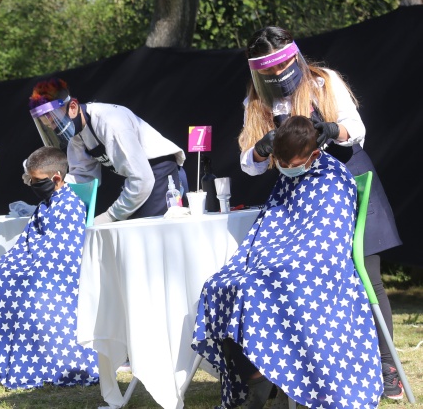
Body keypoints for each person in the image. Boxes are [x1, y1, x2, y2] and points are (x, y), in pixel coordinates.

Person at [238, 26, 403, 400]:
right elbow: (248, 164)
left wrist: (331, 128)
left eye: (282, 68)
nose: (278, 77)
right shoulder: (257, 103)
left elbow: (357, 130)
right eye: (268, 74)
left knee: (367, 275)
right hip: (304, 200)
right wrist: (262, 151)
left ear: (294, 57)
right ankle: (301, 367)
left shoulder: (323, 83)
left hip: (349, 182)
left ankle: (386, 366)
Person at [194, 116, 382, 409]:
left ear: (315, 155)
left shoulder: (333, 179)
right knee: (219, 286)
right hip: (281, 260)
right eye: (282, 164)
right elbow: (273, 227)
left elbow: (326, 246)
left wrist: (279, 264)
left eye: (294, 165)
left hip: (318, 269)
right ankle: (256, 379)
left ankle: (279, 383)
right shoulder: (286, 177)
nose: (288, 170)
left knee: (252, 289)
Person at [0, 146, 99, 389]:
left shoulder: (70, 206)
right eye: (29, 179)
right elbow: (32, 241)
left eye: (36, 180)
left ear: (56, 178)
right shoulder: (48, 202)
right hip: (36, 261)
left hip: (55, 271)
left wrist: (27, 267)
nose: (32, 184)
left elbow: (62, 251)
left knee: (5, 280)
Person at [27, 77, 186, 223]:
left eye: (56, 122)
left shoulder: (110, 123)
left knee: (148, 232)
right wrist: (48, 181)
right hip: (139, 177)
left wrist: (110, 216)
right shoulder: (77, 134)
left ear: (73, 107)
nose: (55, 129)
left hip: (159, 172)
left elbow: (142, 179)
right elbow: (84, 177)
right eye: (48, 126)